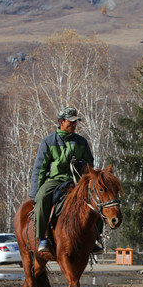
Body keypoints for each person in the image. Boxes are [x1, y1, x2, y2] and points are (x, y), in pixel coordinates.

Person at [29, 107, 95, 253]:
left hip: (77, 182)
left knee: (98, 199)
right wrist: (34, 192)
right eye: (70, 122)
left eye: (75, 122)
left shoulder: (81, 142)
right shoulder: (47, 142)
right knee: (42, 198)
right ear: (61, 122)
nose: (74, 124)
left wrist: (82, 165)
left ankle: (95, 238)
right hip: (55, 181)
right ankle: (43, 237)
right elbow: (40, 169)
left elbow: (90, 165)